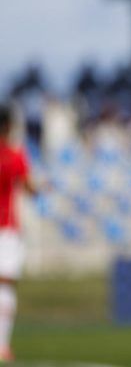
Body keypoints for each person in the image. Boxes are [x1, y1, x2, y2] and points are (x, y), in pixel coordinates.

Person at [0, 104, 39, 362]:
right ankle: (2, 344)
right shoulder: (15, 155)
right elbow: (29, 187)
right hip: (6, 227)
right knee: (5, 285)